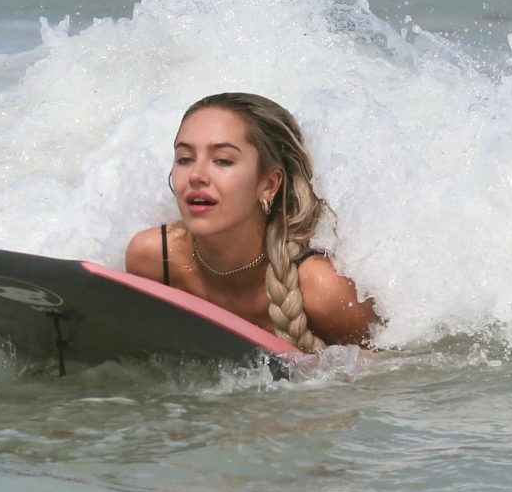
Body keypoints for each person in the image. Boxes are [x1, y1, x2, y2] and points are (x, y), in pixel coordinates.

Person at [125, 92, 376, 352]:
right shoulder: (154, 259)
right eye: (184, 159)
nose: (196, 175)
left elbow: (386, 366)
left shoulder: (322, 288)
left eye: (223, 161)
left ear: (269, 184)